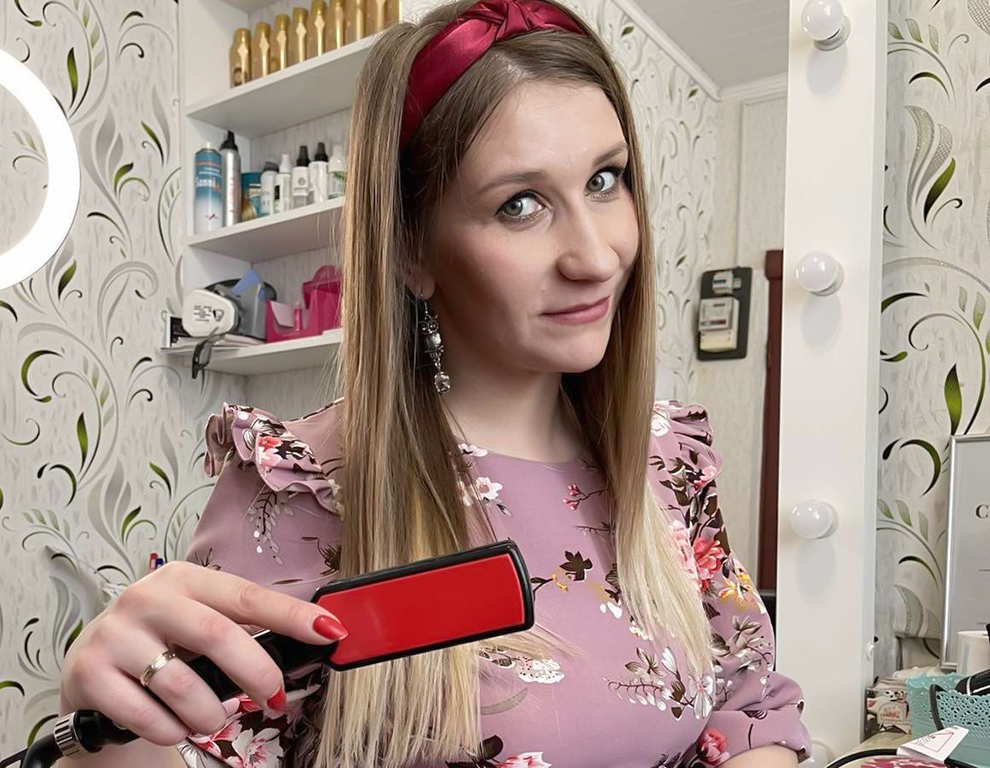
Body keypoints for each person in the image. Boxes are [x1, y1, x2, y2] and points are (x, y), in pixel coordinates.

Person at [57, 0, 812, 765]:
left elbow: (750, 702)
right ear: (412, 250)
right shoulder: (306, 490)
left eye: (605, 179)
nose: (596, 256)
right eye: (520, 205)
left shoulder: (666, 462)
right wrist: (111, 731)